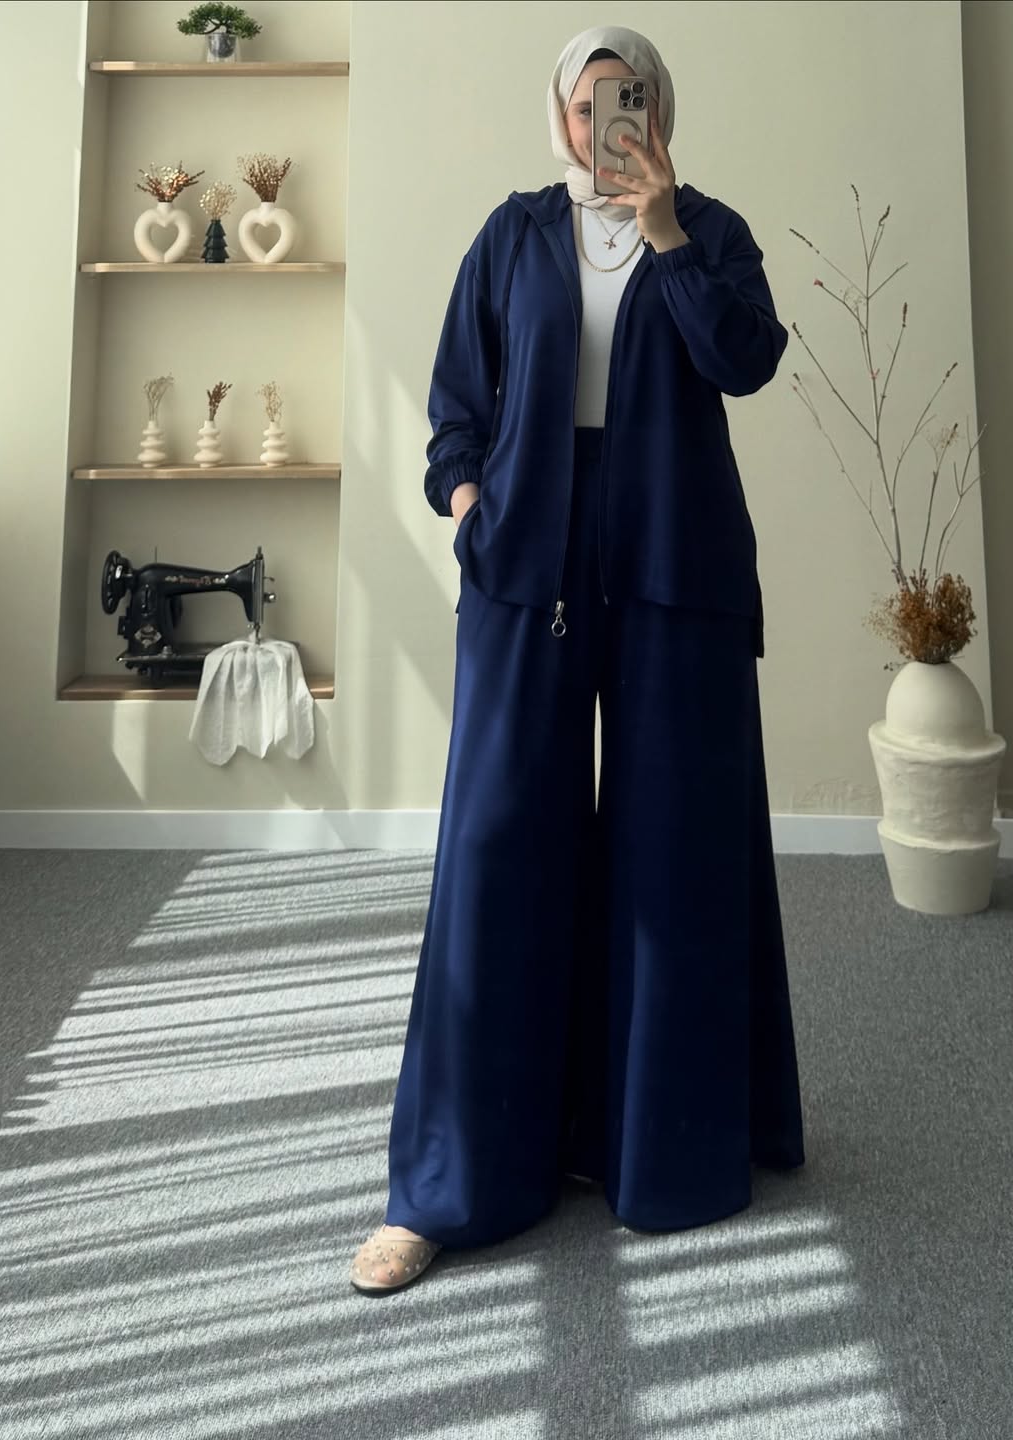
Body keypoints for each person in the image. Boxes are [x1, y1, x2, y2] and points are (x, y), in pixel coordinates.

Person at [349, 23, 805, 1295]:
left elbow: (748, 360)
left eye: (633, 99)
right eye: (592, 100)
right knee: (498, 850)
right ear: (561, 116)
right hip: (526, 559)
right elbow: (456, 406)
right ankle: (450, 1185)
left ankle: (661, 1153)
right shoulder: (511, 236)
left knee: (677, 849)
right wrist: (469, 509)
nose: (610, 120)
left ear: (661, 111)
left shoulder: (709, 230)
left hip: (675, 562)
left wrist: (665, 233)